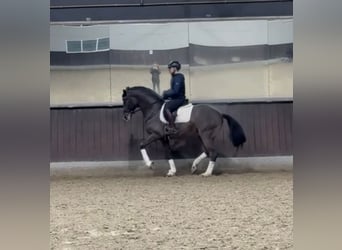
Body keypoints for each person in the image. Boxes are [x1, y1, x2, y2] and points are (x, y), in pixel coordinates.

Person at [162, 60, 186, 134]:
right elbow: (172, 90)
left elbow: (175, 91)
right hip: (176, 98)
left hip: (179, 99)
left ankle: (172, 127)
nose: (169, 70)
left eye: (170, 68)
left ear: (175, 68)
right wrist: (165, 94)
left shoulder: (179, 77)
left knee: (166, 107)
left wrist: (166, 93)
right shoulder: (175, 77)